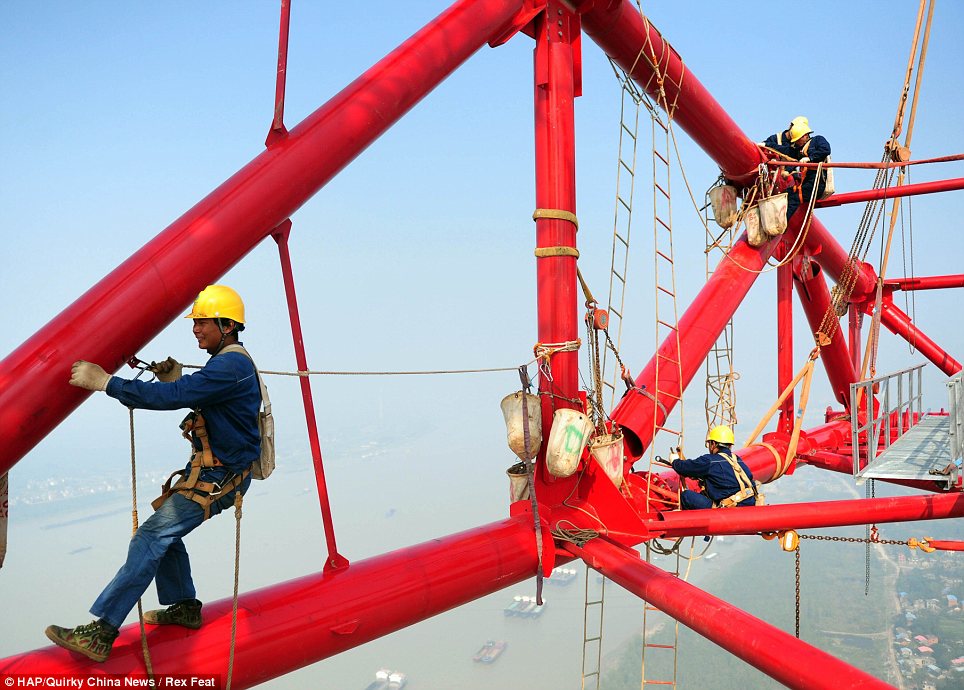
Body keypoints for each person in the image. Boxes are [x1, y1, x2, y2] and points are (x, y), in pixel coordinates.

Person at [45, 285, 262, 663]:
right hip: (217, 474)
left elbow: (174, 399)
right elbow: (200, 394)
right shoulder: (228, 363)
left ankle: (102, 630)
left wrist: (107, 383)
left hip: (220, 478)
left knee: (150, 536)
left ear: (227, 325)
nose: (195, 329)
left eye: (202, 322)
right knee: (161, 534)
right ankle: (183, 605)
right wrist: (175, 379)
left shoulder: (231, 365)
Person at [668, 425, 758, 510]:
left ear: (713, 444)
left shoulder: (710, 461)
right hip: (749, 504)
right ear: (730, 445)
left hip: (728, 507)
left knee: (686, 496)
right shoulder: (737, 460)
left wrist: (675, 461)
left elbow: (685, 468)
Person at [784, 119, 831, 221]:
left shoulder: (818, 140)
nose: (796, 142)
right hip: (806, 182)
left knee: (795, 198)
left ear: (805, 136)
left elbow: (826, 149)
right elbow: (791, 158)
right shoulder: (800, 150)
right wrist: (787, 171)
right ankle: (779, 222)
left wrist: (811, 158)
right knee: (786, 193)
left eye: (797, 140)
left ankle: (782, 225)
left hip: (816, 183)